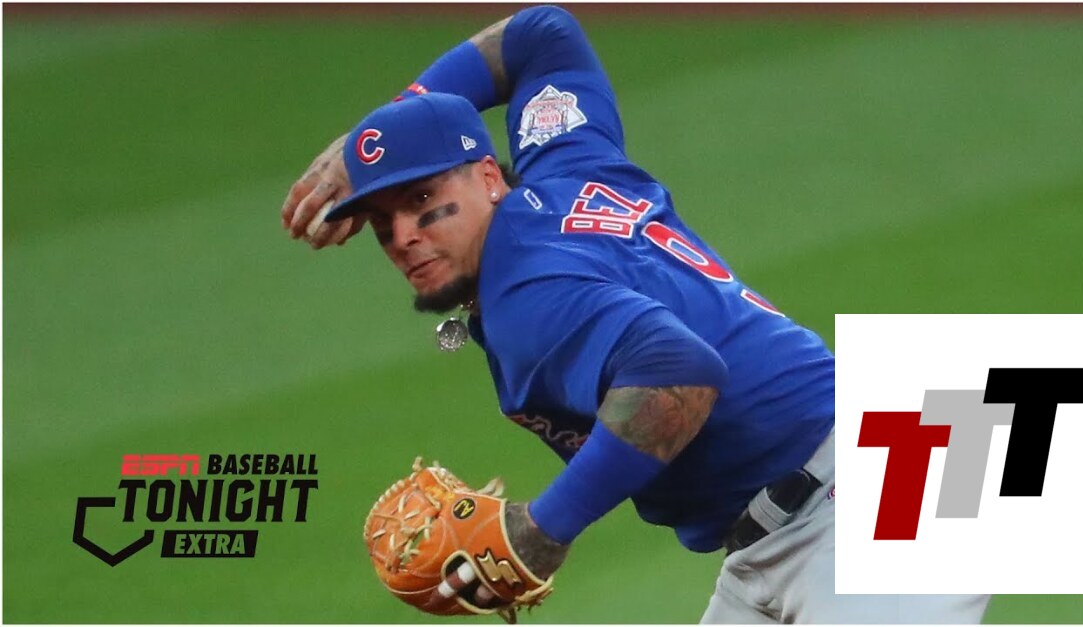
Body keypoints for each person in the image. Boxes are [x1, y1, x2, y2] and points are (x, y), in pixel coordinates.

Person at [281, 6, 990, 624]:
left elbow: (679, 370)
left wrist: (543, 528)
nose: (404, 235)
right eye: (383, 222)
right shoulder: (568, 164)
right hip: (829, 498)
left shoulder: (526, 294)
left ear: (490, 177)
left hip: (871, 506)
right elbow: (540, 35)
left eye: (422, 202)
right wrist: (381, 133)